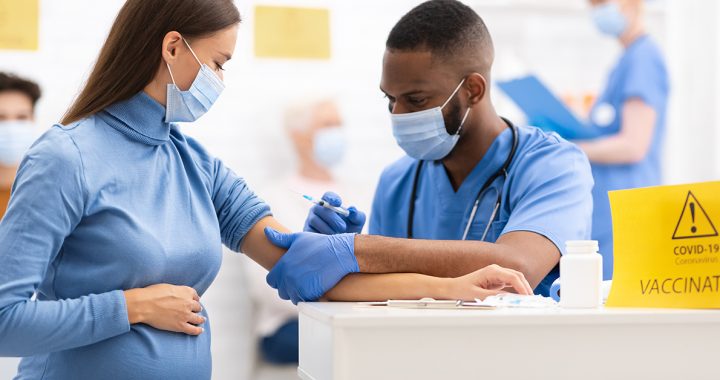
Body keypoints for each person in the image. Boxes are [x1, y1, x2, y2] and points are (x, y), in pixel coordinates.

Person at [0, 1, 530, 378]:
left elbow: (306, 270)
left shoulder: (195, 164)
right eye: (218, 63)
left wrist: (456, 286)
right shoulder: (65, 158)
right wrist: (131, 307)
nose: (220, 81)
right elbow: (5, 323)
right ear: (171, 48)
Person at [266, 0, 595, 302]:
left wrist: (360, 250)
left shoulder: (552, 165)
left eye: (416, 100)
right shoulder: (398, 181)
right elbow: (386, 299)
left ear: (473, 90)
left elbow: (518, 267)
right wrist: (347, 264)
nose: (397, 115)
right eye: (390, 99)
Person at [244, 97, 351, 365]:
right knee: (346, 344)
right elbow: (266, 286)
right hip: (288, 323)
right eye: (327, 125)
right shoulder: (270, 199)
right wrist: (337, 297)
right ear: (298, 136)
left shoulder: (358, 195)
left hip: (348, 316)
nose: (337, 133)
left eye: (339, 125)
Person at [577, 0, 669, 279]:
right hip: (611, 211)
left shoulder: (644, 59)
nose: (597, 11)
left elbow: (633, 145)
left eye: (603, 3)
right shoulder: (627, 60)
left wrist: (572, 148)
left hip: (627, 210)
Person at [0, 72, 41, 215]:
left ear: (33, 120)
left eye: (21, 117)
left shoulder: (48, 190)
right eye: (1, 117)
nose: (11, 127)